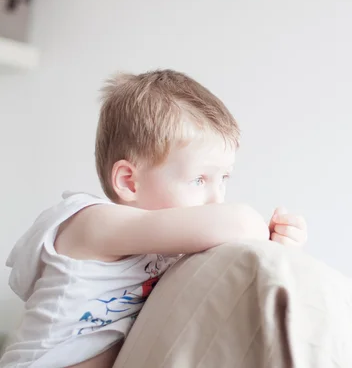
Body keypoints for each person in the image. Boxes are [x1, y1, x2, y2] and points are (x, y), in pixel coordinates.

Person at [0, 69, 308, 368]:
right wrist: (258, 231)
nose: (217, 199)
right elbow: (239, 223)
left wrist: (277, 248)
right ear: (129, 182)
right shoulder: (95, 224)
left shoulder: (163, 248)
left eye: (224, 178)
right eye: (200, 179)